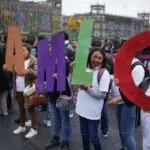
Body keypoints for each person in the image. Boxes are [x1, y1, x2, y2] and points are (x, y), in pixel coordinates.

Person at [76, 48, 111, 150]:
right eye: (94, 56)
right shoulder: (85, 69)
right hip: (81, 108)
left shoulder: (104, 73)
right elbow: (75, 85)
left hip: (93, 111)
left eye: (99, 58)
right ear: (90, 56)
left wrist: (87, 89)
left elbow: (102, 95)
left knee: (93, 137)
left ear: (103, 60)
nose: (96, 60)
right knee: (84, 134)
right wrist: (73, 72)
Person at [4, 43, 38, 138]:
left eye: (23, 50)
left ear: (28, 52)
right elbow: (13, 71)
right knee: (21, 108)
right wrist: (7, 68)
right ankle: (22, 126)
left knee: (30, 108)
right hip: (18, 87)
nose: (21, 52)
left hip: (28, 88)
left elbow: (38, 73)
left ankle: (34, 128)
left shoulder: (33, 60)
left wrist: (30, 71)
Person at [45, 57, 72, 150]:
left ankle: (66, 141)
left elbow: (70, 76)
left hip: (63, 95)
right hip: (51, 93)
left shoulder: (66, 61)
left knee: (65, 118)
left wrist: (60, 75)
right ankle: (56, 138)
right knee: (56, 118)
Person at [0, 41, 9, 116]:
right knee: (2, 95)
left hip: (2, 75)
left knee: (2, 94)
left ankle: (3, 110)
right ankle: (4, 111)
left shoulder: (2, 51)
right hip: (4, 75)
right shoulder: (4, 51)